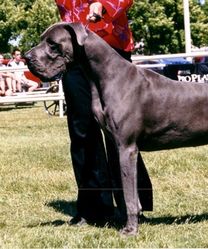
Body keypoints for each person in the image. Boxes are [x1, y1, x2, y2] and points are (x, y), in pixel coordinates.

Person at [54, 0, 153, 225]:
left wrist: (101, 5)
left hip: (109, 47)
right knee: (81, 128)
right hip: (71, 51)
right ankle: (93, 208)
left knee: (121, 129)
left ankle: (131, 206)